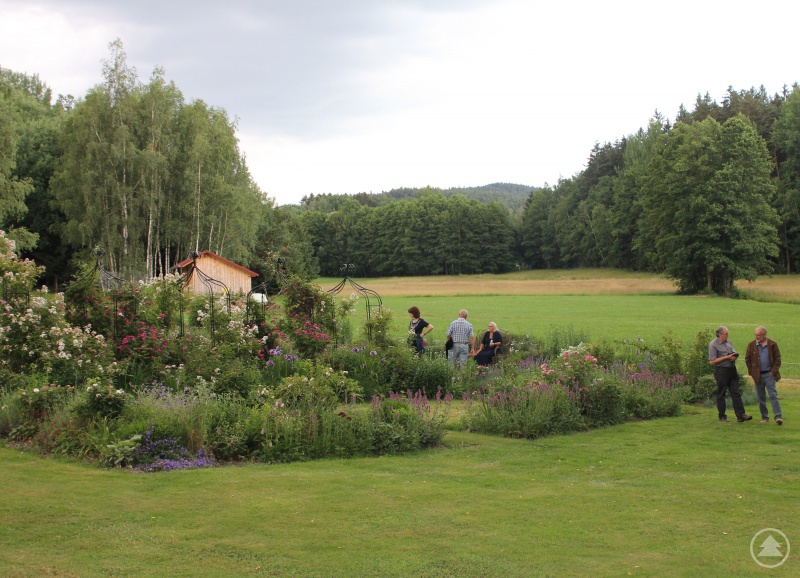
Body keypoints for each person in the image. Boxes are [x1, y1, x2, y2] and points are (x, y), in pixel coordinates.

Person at [708, 326, 752, 423]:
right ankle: (722, 416)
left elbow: (733, 352)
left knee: (736, 392)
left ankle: (741, 415)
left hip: (732, 369)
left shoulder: (728, 342)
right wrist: (726, 358)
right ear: (720, 335)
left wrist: (734, 356)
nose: (727, 335)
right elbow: (712, 361)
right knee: (721, 393)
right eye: (726, 334)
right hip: (721, 371)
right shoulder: (713, 345)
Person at [745, 326, 783, 425]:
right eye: (756, 334)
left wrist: (772, 372)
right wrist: (752, 372)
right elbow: (747, 359)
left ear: (764, 335)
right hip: (757, 376)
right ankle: (764, 417)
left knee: (773, 395)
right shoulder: (751, 345)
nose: (757, 337)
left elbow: (778, 359)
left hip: (769, 374)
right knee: (761, 397)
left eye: (759, 335)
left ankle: (778, 416)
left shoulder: (772, 344)